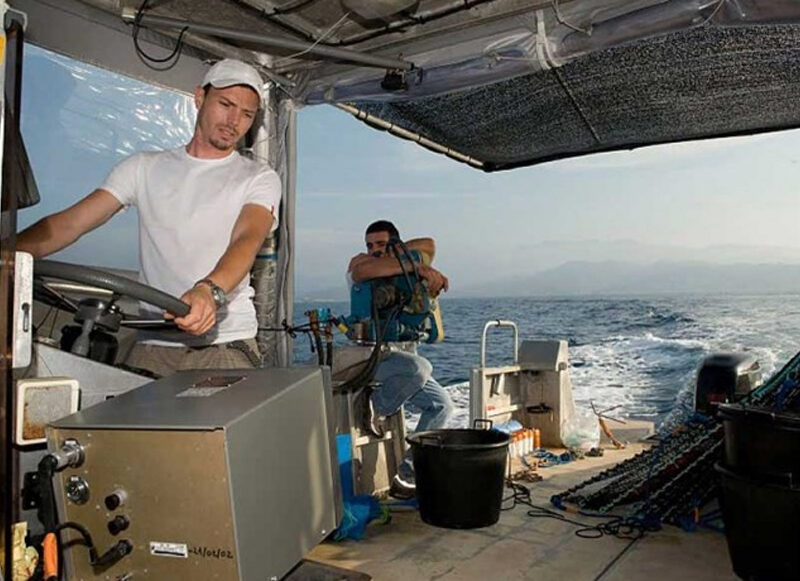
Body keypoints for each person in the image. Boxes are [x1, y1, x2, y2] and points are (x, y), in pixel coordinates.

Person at [17, 59, 281, 377]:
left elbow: (247, 239)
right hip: (152, 346)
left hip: (224, 346)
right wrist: (9, 253)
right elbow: (69, 224)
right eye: (225, 104)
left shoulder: (258, 177)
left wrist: (209, 291)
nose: (234, 120)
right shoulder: (143, 167)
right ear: (199, 98)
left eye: (247, 114)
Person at [348, 220, 454, 497]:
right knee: (421, 367)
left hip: (403, 361)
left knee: (441, 406)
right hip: (371, 359)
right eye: (369, 245)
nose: (373, 251)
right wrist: (417, 267)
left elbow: (429, 244)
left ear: (395, 245)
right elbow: (362, 271)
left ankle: (407, 476)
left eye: (381, 245)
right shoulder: (361, 264)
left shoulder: (399, 267)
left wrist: (410, 263)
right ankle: (376, 407)